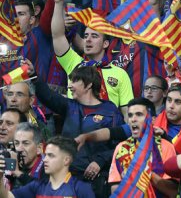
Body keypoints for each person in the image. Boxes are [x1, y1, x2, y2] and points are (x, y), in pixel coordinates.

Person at [33, 64, 124, 197]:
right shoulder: (69, 106)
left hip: (97, 181)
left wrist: (100, 161)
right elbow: (48, 96)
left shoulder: (110, 111)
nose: (69, 86)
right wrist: (33, 76)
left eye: (75, 81)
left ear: (88, 85)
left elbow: (121, 146)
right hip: (69, 179)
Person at [51, 0, 134, 116]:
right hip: (77, 129)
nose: (88, 40)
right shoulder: (74, 63)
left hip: (107, 132)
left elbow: (126, 113)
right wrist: (58, 3)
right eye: (85, 36)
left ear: (106, 43)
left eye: (94, 36)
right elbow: (57, 35)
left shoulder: (120, 74)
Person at [108, 98, 178, 197]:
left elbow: (173, 192)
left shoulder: (166, 146)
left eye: (139, 114)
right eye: (130, 115)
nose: (133, 119)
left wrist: (145, 173)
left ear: (153, 120)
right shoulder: (121, 148)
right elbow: (115, 187)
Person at [0, 136, 94, 198]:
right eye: (45, 155)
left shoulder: (81, 188)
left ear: (66, 160)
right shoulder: (37, 186)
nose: (44, 160)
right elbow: (6, 196)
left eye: (51, 155)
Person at [10, 123, 45, 188]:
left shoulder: (48, 168)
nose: (19, 149)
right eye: (16, 143)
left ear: (39, 148)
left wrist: (17, 172)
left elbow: (44, 190)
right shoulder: (12, 164)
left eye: (26, 143)